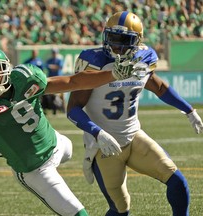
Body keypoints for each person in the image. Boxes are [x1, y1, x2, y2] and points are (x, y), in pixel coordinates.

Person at [0, 46, 138, 216]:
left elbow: (74, 82)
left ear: (7, 68)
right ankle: (5, 145)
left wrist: (112, 74)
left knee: (70, 148)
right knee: (78, 213)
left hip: (56, 143)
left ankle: (4, 144)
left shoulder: (25, 78)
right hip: (34, 169)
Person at [67, 11, 203, 216]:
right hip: (104, 147)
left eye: (123, 40)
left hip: (133, 136)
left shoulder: (143, 58)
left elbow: (160, 88)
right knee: (121, 210)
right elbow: (73, 108)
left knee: (178, 183)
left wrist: (189, 110)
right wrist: (97, 132)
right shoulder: (94, 61)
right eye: (112, 38)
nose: (116, 46)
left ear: (137, 41)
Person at [42, 48, 65, 114]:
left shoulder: (59, 60)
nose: (54, 54)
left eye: (55, 52)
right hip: (51, 79)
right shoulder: (50, 60)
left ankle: (64, 109)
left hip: (58, 79)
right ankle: (52, 109)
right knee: (50, 94)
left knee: (61, 95)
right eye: (53, 52)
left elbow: (59, 67)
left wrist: (52, 67)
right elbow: (46, 66)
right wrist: (54, 67)